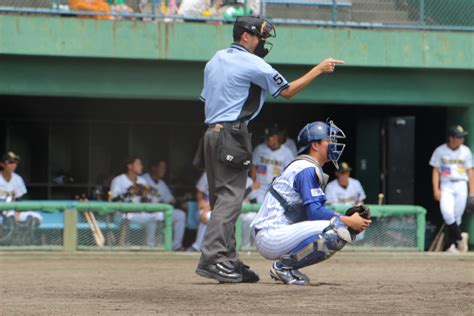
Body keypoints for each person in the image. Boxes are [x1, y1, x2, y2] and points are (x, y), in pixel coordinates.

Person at [196, 15, 344, 284]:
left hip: (211, 133)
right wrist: (318, 69)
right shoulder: (253, 62)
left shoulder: (215, 59)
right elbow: (287, 91)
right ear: (245, 37)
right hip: (232, 133)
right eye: (259, 37)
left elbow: (208, 98)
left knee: (220, 200)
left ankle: (227, 259)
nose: (262, 42)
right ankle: (213, 259)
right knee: (230, 200)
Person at [250, 120, 371, 285]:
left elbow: (312, 213)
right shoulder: (305, 168)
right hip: (271, 234)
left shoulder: (307, 166)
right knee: (336, 230)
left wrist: (345, 220)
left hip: (276, 231)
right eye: (328, 140)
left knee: (340, 226)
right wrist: (347, 220)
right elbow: (315, 213)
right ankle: (283, 267)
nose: (333, 145)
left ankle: (287, 267)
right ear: (315, 145)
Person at [110, 157, 184, 249]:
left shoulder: (142, 181)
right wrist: (131, 192)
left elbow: (148, 202)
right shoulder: (119, 180)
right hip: (122, 214)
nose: (141, 166)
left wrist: (144, 196)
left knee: (157, 215)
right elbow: (114, 200)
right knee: (128, 216)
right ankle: (124, 244)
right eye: (138, 164)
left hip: (138, 214)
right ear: (129, 166)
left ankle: (152, 246)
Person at [429, 125, 473, 253]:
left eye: (462, 137)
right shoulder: (440, 150)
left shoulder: (466, 151)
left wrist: (472, 192)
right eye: (459, 137)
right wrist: (436, 189)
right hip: (446, 184)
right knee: (447, 213)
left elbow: (470, 172)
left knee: (457, 217)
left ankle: (452, 246)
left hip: (461, 184)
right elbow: (436, 171)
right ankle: (460, 237)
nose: (462, 139)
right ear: (451, 138)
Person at [188, 172, 257, 252]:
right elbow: (207, 194)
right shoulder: (213, 172)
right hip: (213, 207)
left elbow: (248, 200)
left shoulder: (247, 180)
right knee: (208, 216)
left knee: (251, 218)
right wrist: (203, 206)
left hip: (232, 209)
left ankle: (245, 248)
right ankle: (197, 247)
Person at [142, 160, 186, 250]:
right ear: (153, 168)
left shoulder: (162, 183)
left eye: (164, 168)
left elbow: (171, 200)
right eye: (161, 167)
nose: (164, 170)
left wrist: (183, 200)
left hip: (159, 212)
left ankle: (176, 246)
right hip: (145, 212)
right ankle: (151, 247)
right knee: (155, 217)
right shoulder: (143, 180)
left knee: (180, 215)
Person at [251, 126, 294, 204]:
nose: (268, 139)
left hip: (277, 188)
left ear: (276, 137)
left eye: (270, 137)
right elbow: (253, 166)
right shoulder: (259, 149)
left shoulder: (287, 152)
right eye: (266, 137)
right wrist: (253, 181)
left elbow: (290, 173)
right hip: (260, 187)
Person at [0, 152, 42, 226]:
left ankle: (24, 236)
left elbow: (21, 199)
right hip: (2, 211)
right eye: (10, 162)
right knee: (8, 216)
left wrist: (20, 211)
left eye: (15, 162)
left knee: (36, 217)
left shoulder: (18, 179)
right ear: (2, 164)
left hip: (12, 211)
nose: (13, 165)